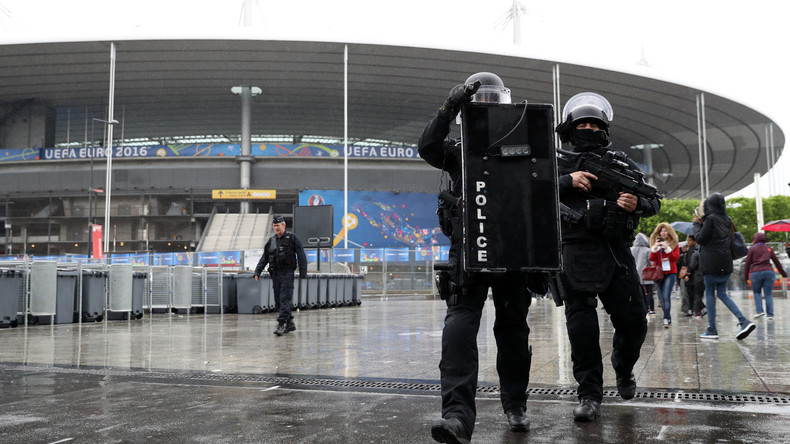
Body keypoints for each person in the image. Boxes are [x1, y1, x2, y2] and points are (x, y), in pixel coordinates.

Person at [419, 72, 541, 443]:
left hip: (514, 248)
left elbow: (547, 180)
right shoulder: (458, 150)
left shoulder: (524, 145)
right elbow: (427, 147)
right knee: (458, 328)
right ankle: (456, 417)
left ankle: (515, 404)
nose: (486, 107)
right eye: (478, 102)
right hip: (468, 250)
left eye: (492, 100)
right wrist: (448, 107)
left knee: (514, 331)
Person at [555, 92, 660, 422]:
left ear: (605, 130)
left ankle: (623, 364)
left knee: (634, 321)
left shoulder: (621, 163)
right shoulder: (555, 162)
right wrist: (565, 181)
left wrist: (636, 204)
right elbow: (528, 193)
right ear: (571, 130)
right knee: (582, 330)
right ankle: (589, 394)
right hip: (575, 252)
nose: (588, 128)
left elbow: (653, 200)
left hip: (616, 252)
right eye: (582, 124)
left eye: (595, 124)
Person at [692, 193, 756, 340]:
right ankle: (743, 321)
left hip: (711, 264)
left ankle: (712, 329)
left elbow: (700, 239)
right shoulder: (727, 219)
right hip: (725, 264)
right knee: (722, 293)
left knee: (709, 294)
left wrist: (696, 224)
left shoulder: (711, 219)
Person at [253, 215, 307, 336]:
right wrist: (257, 271)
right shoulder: (271, 241)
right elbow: (265, 258)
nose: (276, 228)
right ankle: (290, 323)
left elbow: (301, 255)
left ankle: (281, 324)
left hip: (287, 272)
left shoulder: (292, 238)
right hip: (275, 273)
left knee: (285, 298)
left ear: (284, 225)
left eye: (278, 225)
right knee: (278, 300)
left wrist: (303, 272)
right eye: (274, 225)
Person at [744, 232, 787, 320]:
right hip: (769, 272)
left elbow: (747, 263)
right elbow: (776, 262)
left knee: (757, 293)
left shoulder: (752, 249)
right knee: (768, 294)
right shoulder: (769, 248)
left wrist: (745, 276)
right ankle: (770, 315)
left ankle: (759, 311)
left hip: (756, 273)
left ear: (755, 239)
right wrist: (783, 273)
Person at [649, 223, 680, 328]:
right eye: (661, 231)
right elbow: (652, 259)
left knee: (666, 296)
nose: (663, 233)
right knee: (661, 297)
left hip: (670, 273)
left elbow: (675, 258)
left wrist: (667, 248)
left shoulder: (674, 243)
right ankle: (667, 317)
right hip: (658, 274)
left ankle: (667, 318)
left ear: (669, 232)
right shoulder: (655, 243)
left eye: (666, 231)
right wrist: (655, 247)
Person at [630, 233, 656, 315]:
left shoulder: (631, 249)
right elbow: (651, 263)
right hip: (646, 277)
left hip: (634, 276)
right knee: (648, 293)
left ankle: (639, 308)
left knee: (637, 293)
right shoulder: (647, 250)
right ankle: (650, 308)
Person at [682, 235, 706, 318]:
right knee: (698, 294)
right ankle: (699, 310)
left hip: (695, 276)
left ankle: (696, 312)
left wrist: (687, 274)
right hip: (702, 276)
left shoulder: (694, 253)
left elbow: (691, 265)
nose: (688, 242)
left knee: (695, 295)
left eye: (690, 241)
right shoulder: (703, 252)